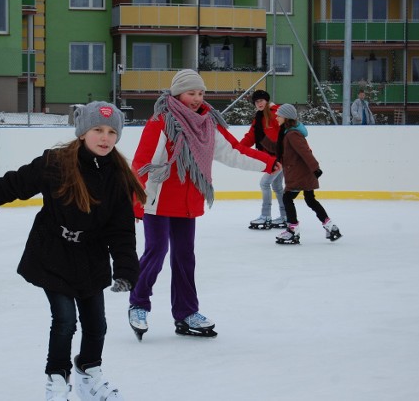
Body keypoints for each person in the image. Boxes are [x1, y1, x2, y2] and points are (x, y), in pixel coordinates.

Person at [0, 101, 147, 401]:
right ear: (82, 132)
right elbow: (11, 185)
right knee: (65, 320)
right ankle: (57, 380)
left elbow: (121, 230)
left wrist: (126, 270)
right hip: (53, 253)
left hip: (91, 257)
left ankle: (88, 374)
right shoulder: (56, 164)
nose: (105, 138)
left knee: (97, 324)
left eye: (111, 132)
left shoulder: (118, 176)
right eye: (97, 130)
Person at [127, 69, 280, 339]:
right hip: (157, 199)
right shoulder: (162, 121)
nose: (197, 98)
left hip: (188, 200)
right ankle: (139, 303)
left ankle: (186, 313)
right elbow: (142, 163)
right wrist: (138, 202)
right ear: (177, 93)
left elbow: (233, 152)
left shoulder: (207, 124)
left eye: (200, 93)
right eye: (191, 93)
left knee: (185, 258)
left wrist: (267, 162)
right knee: (157, 251)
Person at [273, 103, 342, 245]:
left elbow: (305, 152)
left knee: (287, 198)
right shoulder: (287, 132)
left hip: (300, 174)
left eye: (279, 115)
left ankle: (292, 231)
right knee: (310, 200)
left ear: (286, 117)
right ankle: (331, 227)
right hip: (303, 172)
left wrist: (315, 168)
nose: (276, 117)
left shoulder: (292, 134)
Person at [240, 89, 287, 230]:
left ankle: (266, 216)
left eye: (261, 100)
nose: (258, 103)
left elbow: (289, 131)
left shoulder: (277, 113)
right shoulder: (258, 118)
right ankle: (285, 217)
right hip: (270, 158)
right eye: (256, 102)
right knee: (277, 187)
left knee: (265, 183)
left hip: (280, 157)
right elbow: (251, 136)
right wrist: (237, 148)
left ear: (266, 100)